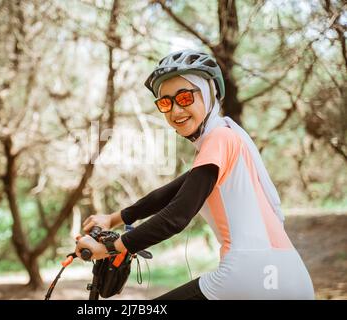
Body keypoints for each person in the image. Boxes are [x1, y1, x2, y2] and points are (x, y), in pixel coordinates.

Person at [75, 49, 315, 300]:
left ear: (210, 94)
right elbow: (169, 194)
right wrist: (112, 218)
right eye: (166, 102)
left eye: (185, 97)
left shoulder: (219, 138)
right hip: (288, 274)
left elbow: (176, 216)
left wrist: (110, 248)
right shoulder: (227, 139)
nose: (176, 110)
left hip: (252, 274)